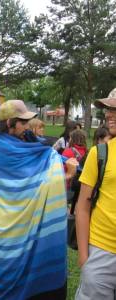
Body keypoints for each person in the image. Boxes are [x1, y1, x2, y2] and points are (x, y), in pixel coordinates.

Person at [0, 100, 78, 300]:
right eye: (23, 122)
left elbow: (39, 166)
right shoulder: (0, 151)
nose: (28, 126)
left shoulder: (26, 143)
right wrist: (66, 176)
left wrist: (52, 157)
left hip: (20, 226)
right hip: (6, 232)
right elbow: (31, 184)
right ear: (10, 122)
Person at [75, 92, 116, 299]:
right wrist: (84, 257)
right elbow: (82, 207)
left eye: (115, 109)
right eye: (109, 109)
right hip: (101, 250)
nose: (110, 114)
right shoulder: (100, 153)